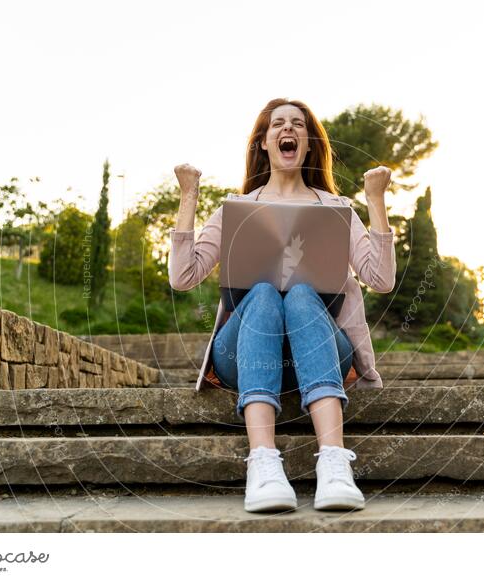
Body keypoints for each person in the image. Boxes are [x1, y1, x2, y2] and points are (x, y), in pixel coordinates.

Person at [169, 98, 395, 513]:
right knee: (264, 293)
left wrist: (375, 202)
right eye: (277, 124)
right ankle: (264, 464)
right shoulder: (237, 208)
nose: (287, 129)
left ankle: (334, 464)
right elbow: (184, 276)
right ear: (265, 142)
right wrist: (189, 198)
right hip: (246, 353)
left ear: (308, 143)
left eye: (297, 124)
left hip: (320, 352)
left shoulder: (337, 207)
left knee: (304, 295)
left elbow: (380, 278)